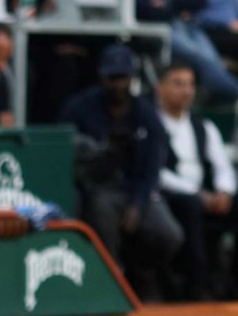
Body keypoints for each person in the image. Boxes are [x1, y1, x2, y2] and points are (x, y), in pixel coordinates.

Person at [152, 61, 238, 300]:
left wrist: (224, 192)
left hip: (210, 197)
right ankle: (198, 287)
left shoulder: (204, 126)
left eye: (190, 85)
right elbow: (156, 172)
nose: (186, 91)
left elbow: (222, 166)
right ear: (160, 89)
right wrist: (197, 193)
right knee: (190, 206)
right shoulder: (151, 125)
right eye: (178, 84)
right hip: (173, 198)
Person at [63, 45, 183, 299]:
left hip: (135, 189)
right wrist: (100, 152)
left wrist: (138, 204)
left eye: (123, 77)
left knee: (169, 234)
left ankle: (142, 275)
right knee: (102, 213)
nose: (117, 84)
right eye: (112, 78)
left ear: (132, 78)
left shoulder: (145, 114)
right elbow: (67, 154)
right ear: (102, 77)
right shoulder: (80, 108)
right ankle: (111, 281)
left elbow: (152, 167)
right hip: (97, 187)